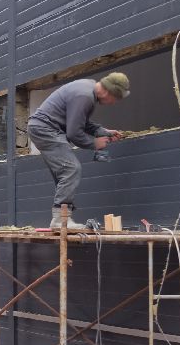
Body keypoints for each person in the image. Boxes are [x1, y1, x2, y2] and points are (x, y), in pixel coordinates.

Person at [27, 72, 129, 229]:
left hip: (45, 127)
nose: (113, 103)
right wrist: (94, 144)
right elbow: (74, 133)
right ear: (109, 92)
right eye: (115, 99)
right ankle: (60, 220)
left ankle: (62, 217)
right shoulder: (85, 97)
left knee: (65, 172)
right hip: (45, 128)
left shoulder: (88, 87)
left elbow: (80, 121)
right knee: (71, 169)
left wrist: (103, 132)